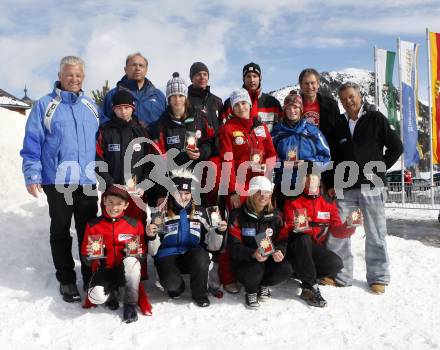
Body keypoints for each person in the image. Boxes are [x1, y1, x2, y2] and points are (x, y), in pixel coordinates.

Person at [20, 56, 99, 302]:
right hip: (57, 179)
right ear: (60, 76)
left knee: (89, 231)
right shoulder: (45, 105)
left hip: (86, 180)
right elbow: (33, 142)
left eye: (77, 75)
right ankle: (66, 279)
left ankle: (90, 277)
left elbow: (103, 139)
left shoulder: (91, 105)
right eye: (69, 75)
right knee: (61, 230)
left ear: (83, 77)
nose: (73, 79)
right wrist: (32, 173)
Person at [326, 82, 403, 294]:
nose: (348, 101)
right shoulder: (339, 124)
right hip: (345, 186)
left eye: (351, 97)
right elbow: (334, 157)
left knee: (375, 233)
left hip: (372, 186)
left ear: (360, 96)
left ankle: (378, 277)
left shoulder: (375, 118)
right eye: (343, 99)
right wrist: (332, 182)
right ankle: (340, 275)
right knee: (339, 231)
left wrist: (379, 169)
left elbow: (397, 147)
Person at [217, 88, 277, 293]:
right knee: (234, 231)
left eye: (244, 103)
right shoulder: (228, 128)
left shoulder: (260, 127)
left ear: (250, 105)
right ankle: (228, 276)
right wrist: (233, 190)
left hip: (258, 186)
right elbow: (227, 160)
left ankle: (259, 274)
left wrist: (265, 171)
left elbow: (271, 154)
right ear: (232, 108)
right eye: (237, 104)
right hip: (240, 186)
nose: (242, 107)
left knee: (259, 229)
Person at [147, 169, 227, 307]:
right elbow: (154, 251)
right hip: (167, 254)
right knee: (171, 284)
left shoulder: (201, 212)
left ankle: (199, 294)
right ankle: (176, 286)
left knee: (201, 258)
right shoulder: (161, 213)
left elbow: (213, 246)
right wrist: (151, 236)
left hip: (192, 252)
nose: (183, 197)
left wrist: (219, 232)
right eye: (178, 193)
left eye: (186, 193)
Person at [82, 185, 152, 323]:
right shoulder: (93, 225)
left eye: (119, 204)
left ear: (126, 205)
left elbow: (143, 252)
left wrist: (136, 254)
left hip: (124, 270)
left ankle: (130, 305)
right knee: (95, 296)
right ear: (104, 201)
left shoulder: (134, 224)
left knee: (132, 263)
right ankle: (111, 294)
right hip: (104, 270)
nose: (114, 207)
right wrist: (89, 256)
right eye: (110, 202)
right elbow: (85, 255)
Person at [282, 173, 350, 307]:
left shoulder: (328, 204)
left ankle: (303, 274)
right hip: (295, 247)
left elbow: (337, 231)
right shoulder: (293, 201)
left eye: (314, 177)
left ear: (319, 181)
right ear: (302, 182)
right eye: (306, 177)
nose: (310, 180)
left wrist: (349, 225)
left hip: (313, 248)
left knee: (336, 263)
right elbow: (284, 229)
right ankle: (311, 286)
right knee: (303, 238)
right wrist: (293, 226)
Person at [228, 176, 292, 309]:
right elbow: (233, 247)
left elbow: (283, 239)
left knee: (286, 268)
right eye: (259, 192)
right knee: (256, 266)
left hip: (267, 259)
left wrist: (280, 250)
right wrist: (252, 253)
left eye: (267, 192)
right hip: (245, 263)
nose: (263, 196)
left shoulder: (277, 215)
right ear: (251, 193)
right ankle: (251, 291)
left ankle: (264, 285)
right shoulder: (237, 215)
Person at [96, 89, 156, 222]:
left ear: (132, 108)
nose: (123, 111)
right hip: (112, 192)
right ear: (113, 109)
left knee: (137, 227)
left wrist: (144, 184)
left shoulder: (141, 131)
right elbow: (98, 159)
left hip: (136, 192)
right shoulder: (105, 131)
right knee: (111, 227)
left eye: (126, 107)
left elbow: (151, 160)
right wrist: (110, 183)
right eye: (119, 108)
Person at [271, 93, 330, 208]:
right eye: (288, 108)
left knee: (309, 221)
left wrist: (310, 165)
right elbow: (269, 158)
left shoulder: (312, 131)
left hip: (310, 185)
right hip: (285, 184)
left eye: (295, 107)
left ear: (301, 109)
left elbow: (326, 157)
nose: (292, 111)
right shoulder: (276, 132)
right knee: (288, 222)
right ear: (284, 110)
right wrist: (285, 165)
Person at [298, 68, 341, 189]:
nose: (309, 86)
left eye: (312, 83)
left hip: (325, 159)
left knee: (326, 202)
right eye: (306, 83)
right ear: (301, 85)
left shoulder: (330, 104)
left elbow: (336, 134)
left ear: (318, 84)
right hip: (303, 160)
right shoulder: (295, 105)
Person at [188, 62, 223, 207]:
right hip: (192, 156)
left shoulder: (217, 101)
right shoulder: (185, 100)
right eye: (198, 75)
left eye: (204, 74)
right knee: (194, 199)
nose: (202, 77)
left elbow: (222, 129)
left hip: (213, 155)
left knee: (213, 195)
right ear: (191, 78)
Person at [102, 52, 166, 130]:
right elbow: (103, 125)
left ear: (146, 70)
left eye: (141, 65)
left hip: (152, 141)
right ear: (125, 69)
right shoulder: (112, 95)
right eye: (134, 65)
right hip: (124, 141)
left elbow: (166, 124)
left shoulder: (159, 96)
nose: (137, 68)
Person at [220, 62, 282, 131]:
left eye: (255, 76)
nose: (252, 80)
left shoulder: (273, 103)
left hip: (267, 141)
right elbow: (223, 129)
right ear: (243, 79)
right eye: (248, 76)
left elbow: (281, 130)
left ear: (260, 78)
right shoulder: (231, 103)